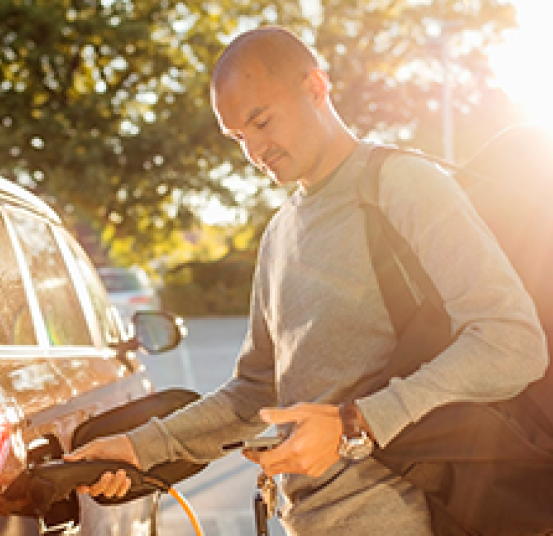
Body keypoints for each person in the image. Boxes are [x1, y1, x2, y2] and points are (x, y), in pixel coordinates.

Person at [65, 26, 548, 534]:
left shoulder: (400, 185)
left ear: (316, 88)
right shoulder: (279, 232)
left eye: (261, 121)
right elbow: (255, 392)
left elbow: (511, 341)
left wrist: (355, 424)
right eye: (237, 137)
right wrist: (138, 449)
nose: (254, 150)